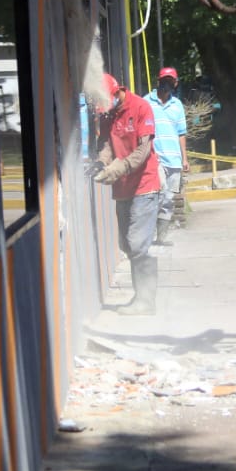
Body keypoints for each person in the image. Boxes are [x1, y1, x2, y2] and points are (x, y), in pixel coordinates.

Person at [93, 72, 162, 316]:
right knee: (126, 243)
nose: (104, 109)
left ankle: (146, 300)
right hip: (122, 188)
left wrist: (119, 166)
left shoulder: (141, 107)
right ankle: (141, 297)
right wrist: (102, 163)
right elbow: (106, 146)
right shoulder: (107, 115)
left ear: (117, 91)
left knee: (137, 243)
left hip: (145, 185)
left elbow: (144, 149)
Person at [145, 66, 190, 242]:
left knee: (169, 199)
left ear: (176, 83)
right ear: (158, 81)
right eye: (164, 81)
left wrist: (184, 158)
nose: (167, 84)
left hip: (175, 161)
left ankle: (161, 238)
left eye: (171, 81)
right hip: (155, 159)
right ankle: (149, 235)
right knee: (158, 194)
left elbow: (181, 133)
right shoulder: (146, 102)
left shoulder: (177, 105)